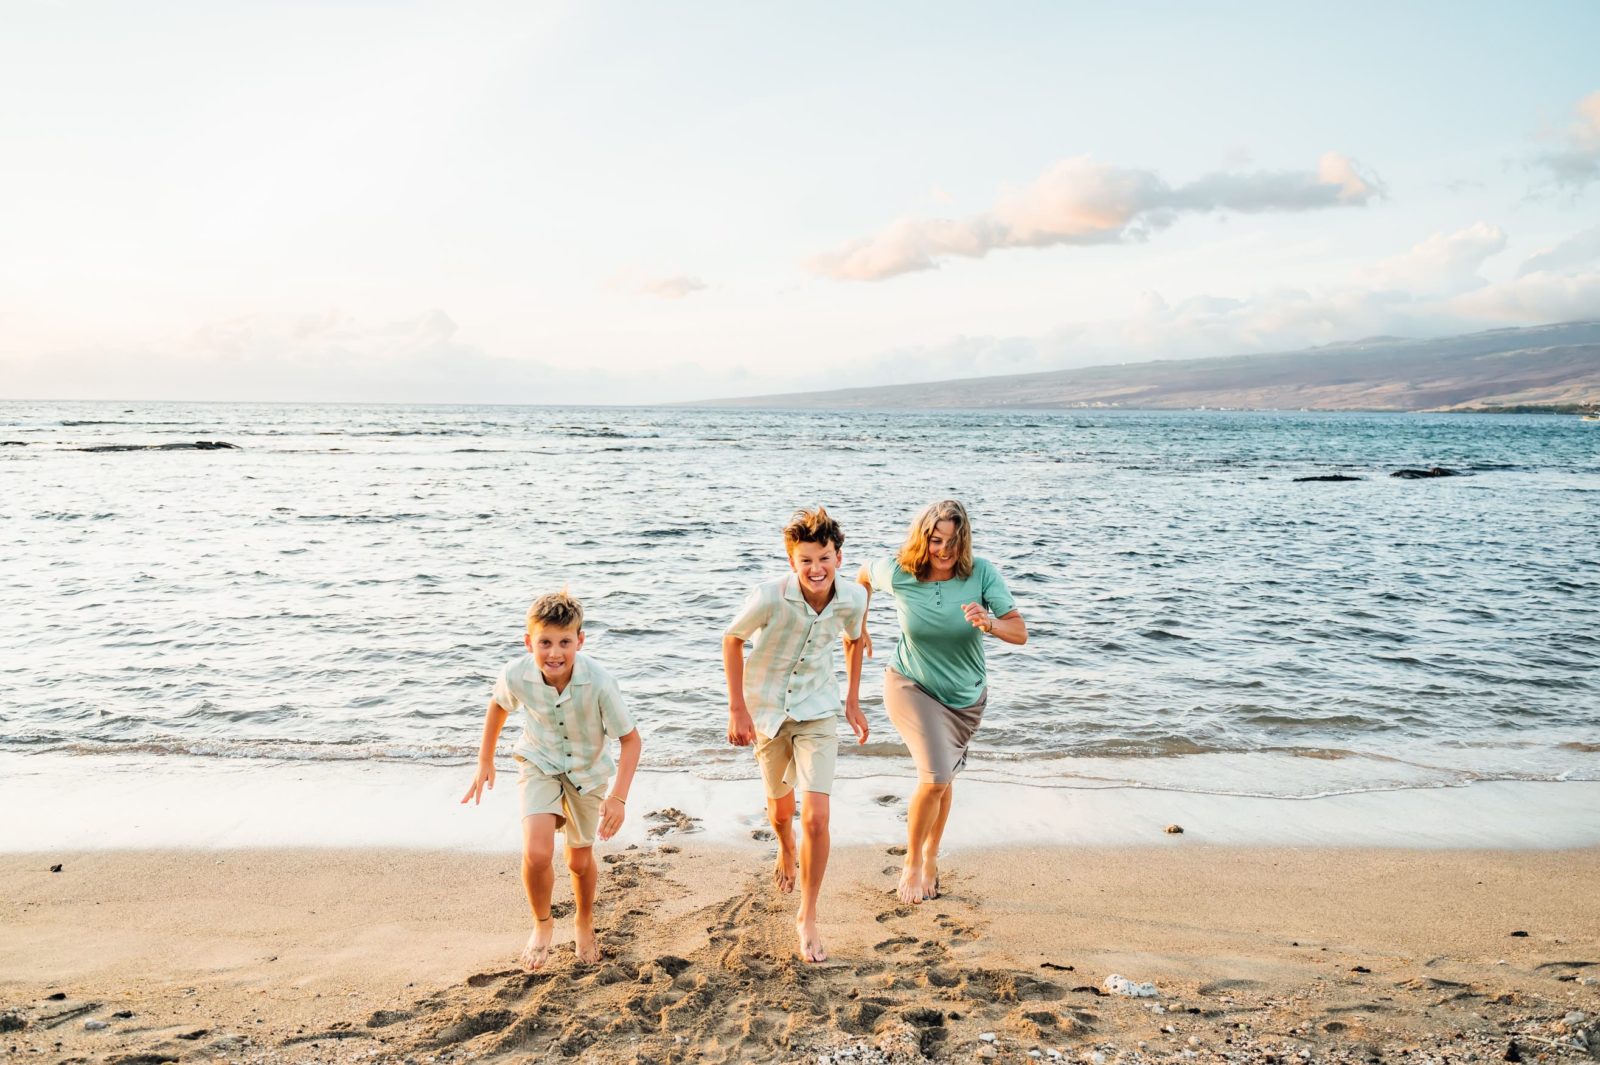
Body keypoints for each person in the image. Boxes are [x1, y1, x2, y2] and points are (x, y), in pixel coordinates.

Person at [461, 590, 642, 970]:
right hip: (538, 762)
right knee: (537, 853)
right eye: (544, 642)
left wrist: (618, 798)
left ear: (580, 640)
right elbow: (498, 704)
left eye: (565, 642)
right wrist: (485, 760)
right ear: (529, 642)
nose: (554, 653)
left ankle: (584, 921)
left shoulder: (600, 682)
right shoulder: (516, 673)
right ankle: (542, 924)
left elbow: (630, 740)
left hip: (588, 772)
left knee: (578, 861)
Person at [856, 500, 1026, 905]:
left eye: (953, 540)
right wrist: (858, 625)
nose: (945, 550)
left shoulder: (980, 573)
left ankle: (932, 855)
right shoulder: (900, 571)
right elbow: (861, 575)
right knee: (934, 777)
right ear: (923, 538)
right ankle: (912, 863)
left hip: (965, 698)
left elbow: (1020, 632)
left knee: (943, 779)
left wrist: (991, 622)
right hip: (909, 684)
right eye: (936, 540)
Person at [723, 506, 869, 962]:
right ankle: (785, 846)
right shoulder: (769, 596)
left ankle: (807, 916)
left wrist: (851, 700)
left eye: (824, 557)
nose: (816, 568)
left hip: (818, 709)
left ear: (839, 557)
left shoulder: (853, 598)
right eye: (805, 560)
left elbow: (854, 638)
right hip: (768, 713)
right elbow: (732, 640)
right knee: (783, 813)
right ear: (792, 562)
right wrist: (738, 710)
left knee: (817, 818)